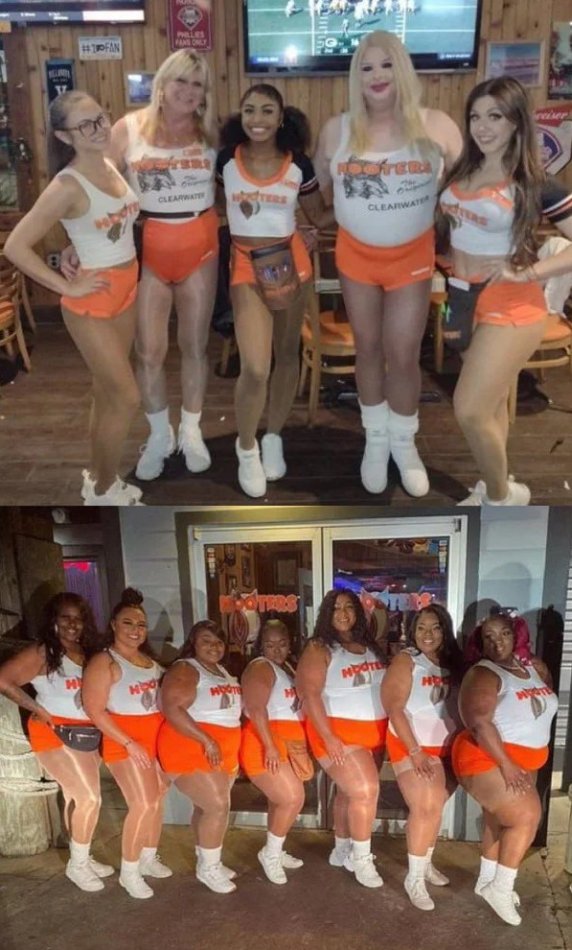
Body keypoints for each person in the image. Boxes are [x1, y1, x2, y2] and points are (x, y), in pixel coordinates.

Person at [313, 31, 462, 498]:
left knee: (403, 353)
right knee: (368, 348)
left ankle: (404, 442)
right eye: (366, 67)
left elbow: (467, 186)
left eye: (386, 65)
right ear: (356, 77)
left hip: (412, 259)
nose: (377, 75)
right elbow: (320, 191)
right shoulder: (337, 130)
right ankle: (376, 440)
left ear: (403, 69)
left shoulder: (437, 126)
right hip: (356, 257)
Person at [436, 76, 572, 506]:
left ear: (516, 121)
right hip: (461, 297)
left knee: (469, 408)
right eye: (475, 116)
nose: (482, 126)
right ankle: (497, 481)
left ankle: (500, 499)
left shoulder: (534, 182)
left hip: (511, 307)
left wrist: (529, 272)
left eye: (495, 116)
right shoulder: (462, 170)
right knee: (491, 404)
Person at [4, 91, 142, 506]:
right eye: (86, 125)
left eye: (100, 118)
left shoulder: (109, 163)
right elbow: (15, 246)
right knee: (127, 397)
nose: (99, 129)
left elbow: (101, 224)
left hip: (127, 287)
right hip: (91, 301)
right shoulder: (66, 185)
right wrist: (65, 287)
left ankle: (98, 478)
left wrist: (73, 245)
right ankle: (102, 490)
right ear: (64, 136)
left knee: (105, 392)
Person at [216, 83, 333, 498]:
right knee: (255, 367)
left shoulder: (298, 163)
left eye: (267, 111)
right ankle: (247, 447)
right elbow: (216, 206)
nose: (258, 119)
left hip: (289, 263)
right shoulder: (226, 160)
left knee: (286, 354)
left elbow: (319, 214)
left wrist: (356, 204)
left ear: (281, 118)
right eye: (250, 110)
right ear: (241, 115)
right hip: (245, 265)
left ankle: (273, 436)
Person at [111, 50, 218, 482]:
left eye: (198, 84)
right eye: (181, 81)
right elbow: (95, 184)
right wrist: (79, 240)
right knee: (149, 350)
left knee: (194, 345)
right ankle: (159, 435)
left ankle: (191, 430)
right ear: (162, 83)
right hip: (148, 245)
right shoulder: (128, 128)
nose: (189, 92)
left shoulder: (211, 131)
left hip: (200, 242)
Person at [0, 592, 113, 892]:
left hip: (87, 733)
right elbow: (4, 679)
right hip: (54, 731)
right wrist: (37, 709)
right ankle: (77, 866)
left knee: (77, 797)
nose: (73, 624)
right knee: (90, 798)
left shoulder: (87, 651)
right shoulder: (43, 651)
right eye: (66, 617)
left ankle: (82, 855)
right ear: (53, 619)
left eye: (78, 618)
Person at [452, 612, 558, 926]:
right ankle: (500, 888)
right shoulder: (483, 673)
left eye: (504, 634)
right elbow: (479, 723)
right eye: (489, 637)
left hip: (522, 760)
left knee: (497, 819)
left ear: (517, 635)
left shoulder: (532, 667)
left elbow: (544, 701)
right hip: (487, 757)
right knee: (526, 817)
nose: (497, 642)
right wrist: (507, 765)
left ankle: (486, 880)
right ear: (480, 642)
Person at [81, 588, 170, 900]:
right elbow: (94, 709)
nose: (135, 630)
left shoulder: (150, 661)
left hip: (156, 742)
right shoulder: (104, 661)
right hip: (125, 743)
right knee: (142, 804)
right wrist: (129, 743)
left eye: (141, 624)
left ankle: (148, 857)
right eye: (128, 623)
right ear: (113, 625)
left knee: (156, 801)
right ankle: (129, 872)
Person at [296, 589, 387, 888]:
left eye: (349, 607)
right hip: (339, 735)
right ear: (327, 613)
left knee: (348, 793)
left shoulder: (369, 645)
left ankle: (341, 847)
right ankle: (361, 859)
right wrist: (329, 737)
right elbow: (309, 694)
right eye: (336, 608)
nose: (343, 613)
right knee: (365, 791)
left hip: (373, 735)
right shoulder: (319, 647)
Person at [381, 604, 464, 911]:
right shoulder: (407, 660)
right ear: (412, 631)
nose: (428, 634)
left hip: (447, 748)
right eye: (421, 628)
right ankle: (414, 878)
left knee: (435, 807)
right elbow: (394, 708)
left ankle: (426, 863)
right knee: (424, 807)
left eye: (435, 627)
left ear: (445, 630)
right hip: (412, 746)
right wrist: (415, 752)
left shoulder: (455, 662)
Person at [157, 620, 242, 894]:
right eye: (206, 641)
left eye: (218, 641)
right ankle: (209, 868)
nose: (214, 646)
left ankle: (207, 857)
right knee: (217, 807)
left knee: (205, 808)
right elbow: (172, 708)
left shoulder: (220, 670)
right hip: (191, 745)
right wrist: (206, 740)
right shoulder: (186, 668)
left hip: (221, 748)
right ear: (193, 643)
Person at [240, 619, 308, 884]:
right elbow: (256, 709)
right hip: (264, 743)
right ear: (261, 646)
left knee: (278, 801)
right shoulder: (261, 667)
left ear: (289, 644)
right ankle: (270, 854)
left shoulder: (286, 667)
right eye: (270, 644)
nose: (277, 649)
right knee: (292, 798)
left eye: (282, 643)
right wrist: (270, 747)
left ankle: (276, 851)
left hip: (284, 743)